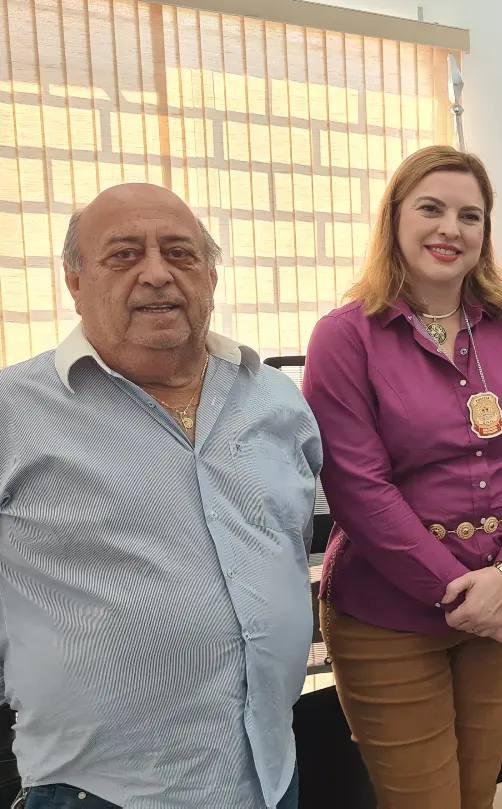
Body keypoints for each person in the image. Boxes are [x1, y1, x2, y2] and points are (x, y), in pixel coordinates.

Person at [0, 184, 318, 808]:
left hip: (270, 776)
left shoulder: (276, 399)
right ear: (74, 281)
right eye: (124, 255)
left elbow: (289, 539)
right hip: (101, 791)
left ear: (210, 276)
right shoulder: (14, 411)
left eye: (180, 253)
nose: (156, 274)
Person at [302, 145, 502, 809]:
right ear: (394, 217)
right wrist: (468, 595)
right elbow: (359, 490)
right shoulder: (346, 337)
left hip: (501, 600)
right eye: (431, 209)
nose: (450, 228)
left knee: (476, 795)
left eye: (469, 215)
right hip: (388, 616)